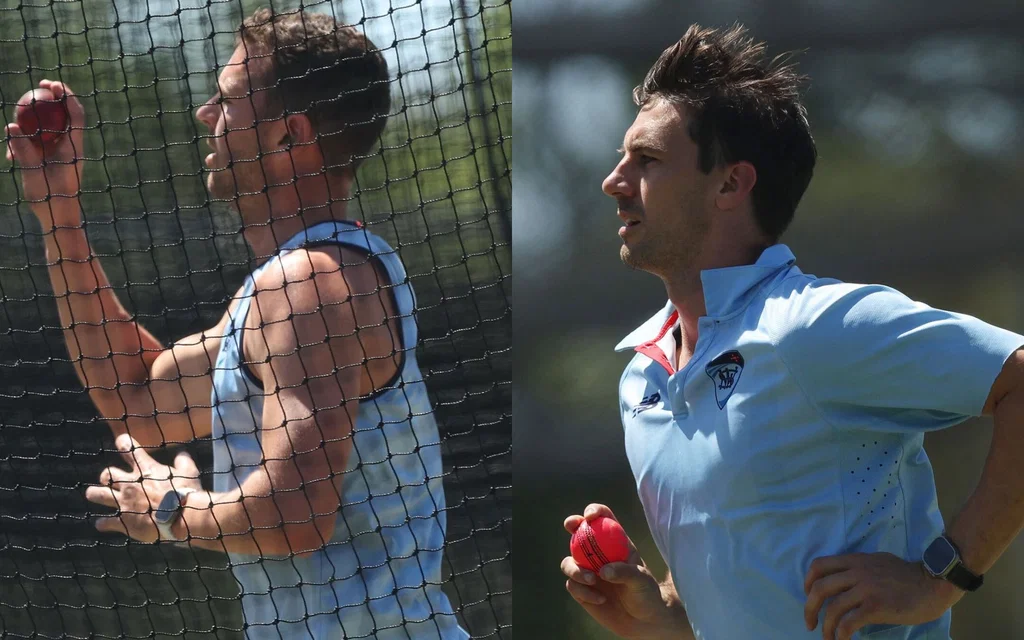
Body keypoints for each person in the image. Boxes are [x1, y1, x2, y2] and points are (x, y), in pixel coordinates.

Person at [6, 8, 468, 640]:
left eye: (226, 101)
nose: (205, 115)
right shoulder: (302, 280)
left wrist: (171, 509)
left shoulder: (308, 284)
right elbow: (138, 398)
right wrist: (58, 210)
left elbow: (299, 511)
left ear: (287, 135)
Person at [559, 23, 1024, 640]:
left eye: (646, 160)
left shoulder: (813, 325)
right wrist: (663, 619)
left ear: (731, 183)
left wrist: (942, 577)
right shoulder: (639, 378)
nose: (614, 181)